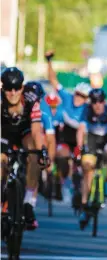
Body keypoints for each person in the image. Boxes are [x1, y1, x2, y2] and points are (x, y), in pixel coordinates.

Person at [1, 68, 49, 230]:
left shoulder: (31, 98)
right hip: (4, 132)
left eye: (16, 88)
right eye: (8, 88)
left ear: (22, 87)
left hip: (24, 131)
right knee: (1, 160)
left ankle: (29, 202)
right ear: (3, 88)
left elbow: (36, 130)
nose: (12, 92)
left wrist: (41, 150)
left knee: (34, 155)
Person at [46, 50, 89, 206]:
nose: (79, 98)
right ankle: (60, 181)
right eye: (78, 94)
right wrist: (49, 61)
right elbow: (53, 80)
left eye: (83, 97)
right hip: (64, 136)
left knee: (85, 160)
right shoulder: (66, 97)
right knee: (62, 155)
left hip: (78, 139)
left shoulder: (87, 109)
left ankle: (81, 186)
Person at [77, 88, 107, 229]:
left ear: (104, 101)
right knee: (87, 168)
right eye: (94, 101)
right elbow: (81, 130)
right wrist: (80, 148)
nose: (97, 105)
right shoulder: (86, 111)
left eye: (100, 101)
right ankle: (84, 204)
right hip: (92, 142)